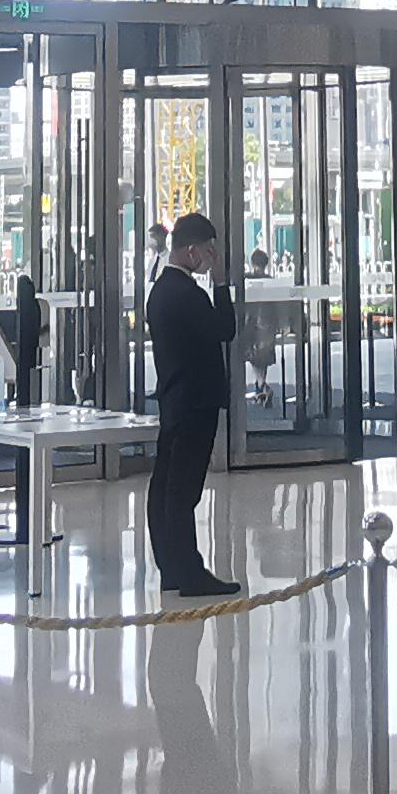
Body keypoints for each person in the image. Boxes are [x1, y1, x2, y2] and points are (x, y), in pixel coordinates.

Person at [144, 212, 244, 597]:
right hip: (195, 402)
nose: (211, 257)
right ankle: (190, 573)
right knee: (183, 490)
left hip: (175, 399)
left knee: (166, 485)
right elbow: (225, 329)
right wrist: (220, 284)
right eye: (208, 250)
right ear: (191, 250)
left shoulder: (160, 291)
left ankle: (170, 567)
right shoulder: (188, 294)